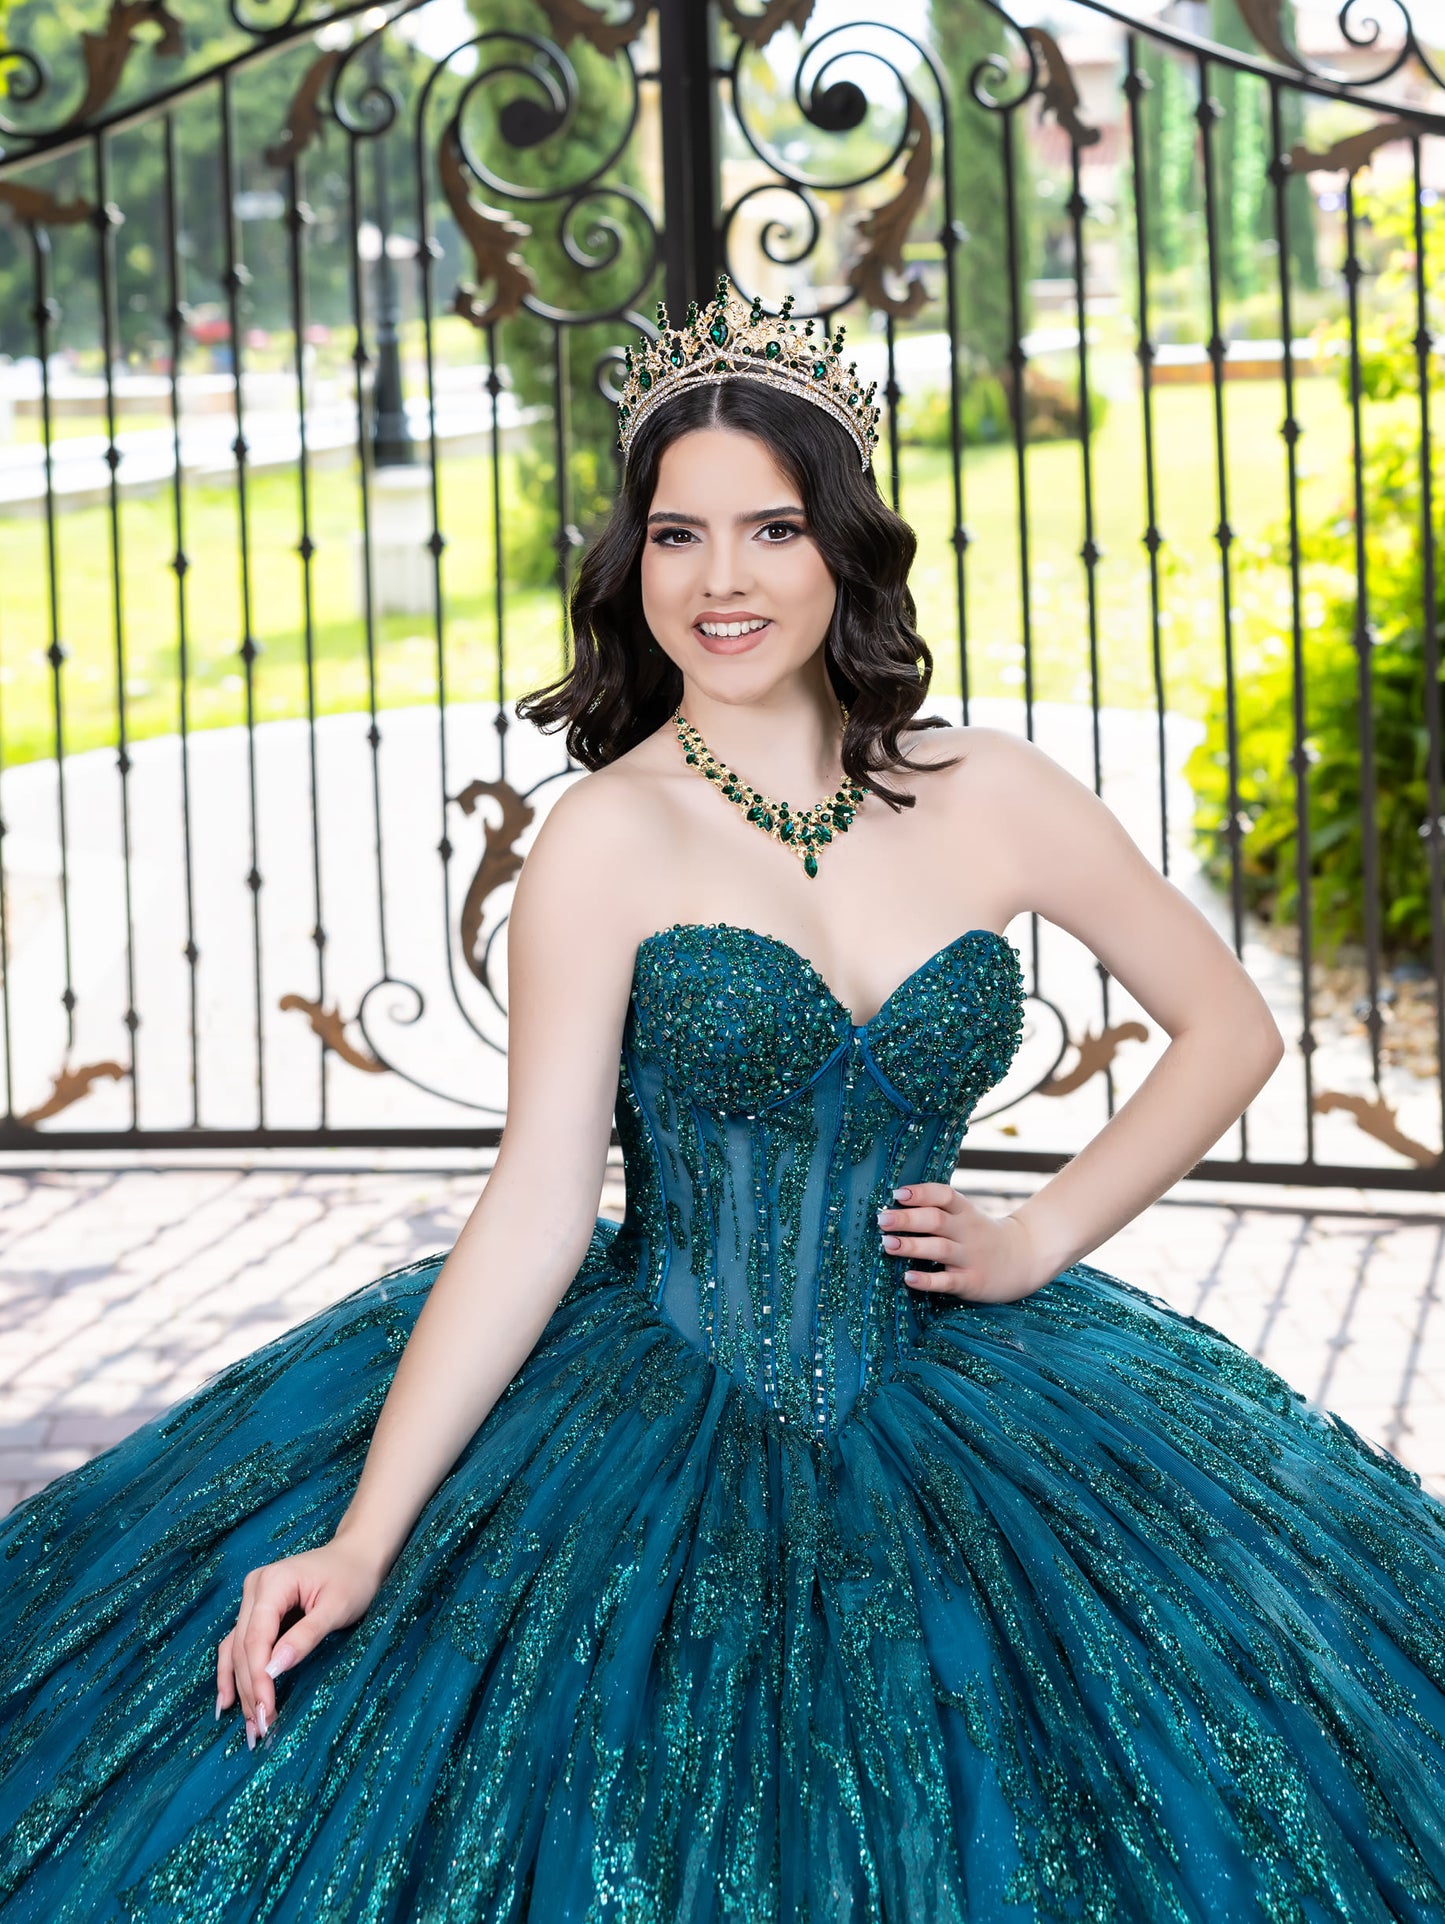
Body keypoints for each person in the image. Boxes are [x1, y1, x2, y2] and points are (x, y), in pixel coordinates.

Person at [2, 274, 1444, 1924]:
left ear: (844, 547)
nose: (721, 580)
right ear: (634, 562)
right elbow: (538, 1204)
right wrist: (367, 1535)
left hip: (972, 1399)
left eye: (771, 528)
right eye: (676, 535)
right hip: (657, 1398)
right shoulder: (608, 837)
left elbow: (1227, 1030)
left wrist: (1039, 1236)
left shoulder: (992, 792)